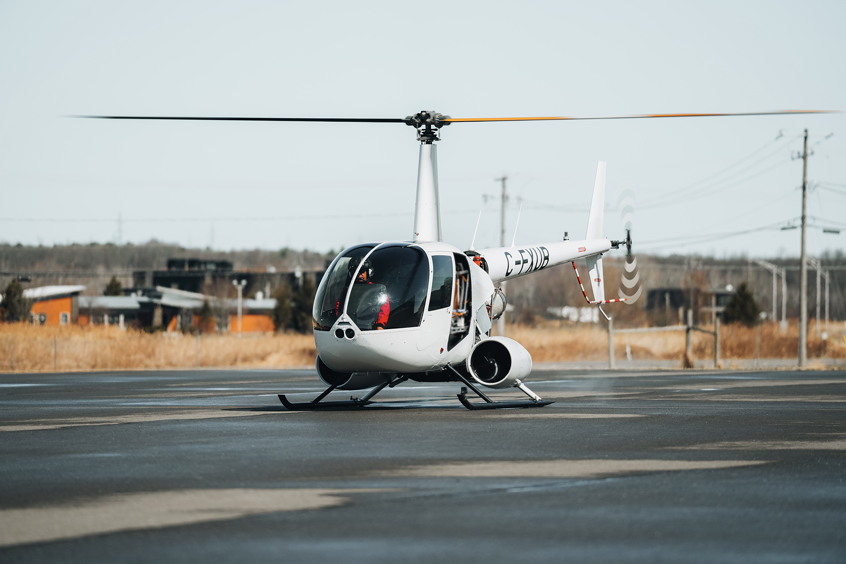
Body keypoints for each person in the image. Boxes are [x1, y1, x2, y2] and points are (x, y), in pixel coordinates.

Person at [351, 260, 390, 330]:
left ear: (369, 272)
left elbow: (384, 308)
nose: (359, 275)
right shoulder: (348, 290)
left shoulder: (377, 289)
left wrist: (380, 325)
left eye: (362, 271)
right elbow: (340, 305)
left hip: (370, 327)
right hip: (351, 326)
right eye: (356, 272)